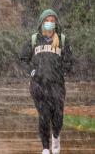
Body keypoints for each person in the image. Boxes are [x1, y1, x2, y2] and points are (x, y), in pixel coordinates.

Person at [20, 9, 73, 154]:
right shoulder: (34, 40)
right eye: (47, 21)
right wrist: (32, 71)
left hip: (57, 85)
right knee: (44, 116)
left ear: (55, 23)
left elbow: (69, 61)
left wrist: (63, 71)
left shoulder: (62, 40)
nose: (49, 23)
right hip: (38, 85)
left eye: (52, 21)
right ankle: (45, 148)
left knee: (57, 115)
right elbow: (23, 59)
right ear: (41, 22)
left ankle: (56, 137)